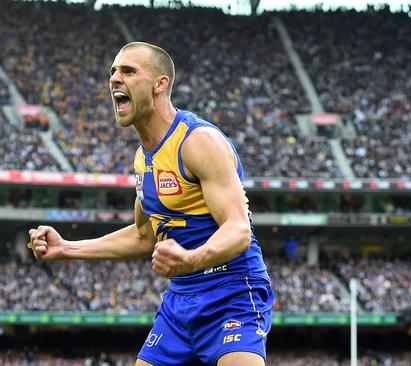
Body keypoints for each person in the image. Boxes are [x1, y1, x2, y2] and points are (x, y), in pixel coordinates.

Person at [27, 42, 273, 366]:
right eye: (113, 71)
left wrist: (192, 257)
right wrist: (67, 249)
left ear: (161, 84)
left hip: (232, 292)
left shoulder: (198, 142)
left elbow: (239, 230)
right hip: (180, 301)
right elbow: (144, 235)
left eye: (128, 71)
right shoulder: (143, 160)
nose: (115, 78)